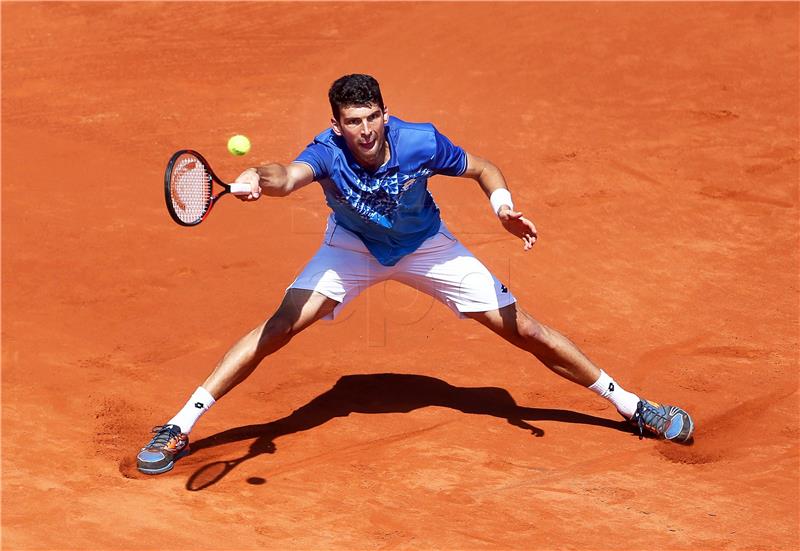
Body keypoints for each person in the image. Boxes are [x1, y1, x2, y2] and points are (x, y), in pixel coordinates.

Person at [137, 74, 694, 475]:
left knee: (524, 329)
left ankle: (633, 406)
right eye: (351, 122)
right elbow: (288, 175)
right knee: (279, 326)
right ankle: (180, 425)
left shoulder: (420, 140)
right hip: (352, 247)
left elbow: (480, 167)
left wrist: (501, 207)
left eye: (371, 117)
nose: (364, 130)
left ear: (384, 112)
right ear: (336, 124)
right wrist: (261, 180)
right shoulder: (327, 152)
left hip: (428, 247)